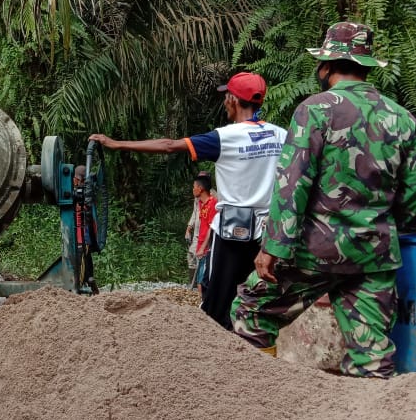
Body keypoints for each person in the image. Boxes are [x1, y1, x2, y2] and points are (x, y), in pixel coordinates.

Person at [233, 22, 416, 378]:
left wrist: (274, 246)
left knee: (252, 313)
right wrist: (388, 229)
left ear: (325, 66)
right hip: (375, 253)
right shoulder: (402, 118)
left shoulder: (315, 109)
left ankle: (257, 402)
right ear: (366, 65)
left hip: (314, 251)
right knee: (372, 352)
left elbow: (292, 183)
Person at [90, 71, 287, 329]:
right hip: (267, 235)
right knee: (254, 301)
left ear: (233, 100)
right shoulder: (281, 135)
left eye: (226, 97)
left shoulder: (224, 138)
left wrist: (115, 144)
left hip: (231, 234)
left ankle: (215, 358)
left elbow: (169, 145)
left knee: (217, 304)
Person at [192, 173, 217, 299]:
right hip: (200, 243)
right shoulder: (201, 203)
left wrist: (203, 247)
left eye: (194, 187)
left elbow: (212, 227)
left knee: (203, 279)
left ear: (200, 188)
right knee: (199, 279)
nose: (192, 190)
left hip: (207, 246)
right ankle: (202, 304)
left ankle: (204, 306)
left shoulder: (213, 203)